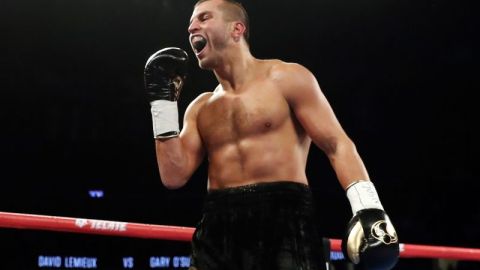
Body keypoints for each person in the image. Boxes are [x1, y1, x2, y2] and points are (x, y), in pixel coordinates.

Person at [144, 0, 399, 269]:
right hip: (217, 224)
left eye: (204, 18)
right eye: (191, 22)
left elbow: (337, 144)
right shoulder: (199, 108)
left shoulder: (287, 78)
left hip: (283, 218)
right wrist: (162, 105)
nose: (191, 26)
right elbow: (173, 175)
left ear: (236, 29)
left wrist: (368, 207)